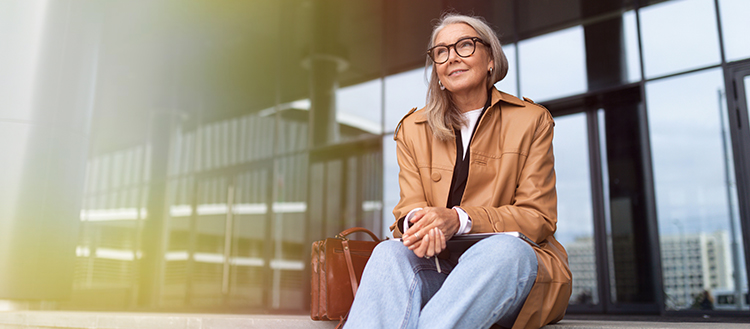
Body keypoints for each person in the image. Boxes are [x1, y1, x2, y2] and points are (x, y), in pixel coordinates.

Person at [343, 13, 571, 329]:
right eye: (441, 51)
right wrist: (419, 225)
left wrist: (459, 220)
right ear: (436, 69)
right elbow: (408, 209)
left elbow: (538, 218)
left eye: (464, 45)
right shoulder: (413, 128)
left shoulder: (531, 121)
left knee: (504, 250)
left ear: (491, 58)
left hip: (506, 275)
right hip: (441, 269)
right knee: (387, 254)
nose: (452, 57)